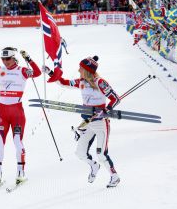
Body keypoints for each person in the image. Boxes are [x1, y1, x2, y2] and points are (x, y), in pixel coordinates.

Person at [43, 56, 121, 188]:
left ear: (87, 70)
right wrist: (50, 72)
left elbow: (116, 99)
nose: (79, 70)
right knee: (80, 153)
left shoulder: (100, 82)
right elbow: (63, 82)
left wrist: (105, 110)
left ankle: (115, 176)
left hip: (101, 123)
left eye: (81, 68)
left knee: (101, 154)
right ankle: (93, 166)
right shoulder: (81, 82)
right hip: (88, 122)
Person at [0, 43, 41, 185]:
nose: (5, 62)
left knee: (17, 142)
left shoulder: (23, 71)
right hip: (2, 112)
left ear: (14, 58)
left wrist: (29, 59)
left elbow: (37, 73)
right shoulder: (0, 70)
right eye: (2, 59)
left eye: (7, 59)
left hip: (17, 112)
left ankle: (20, 172)